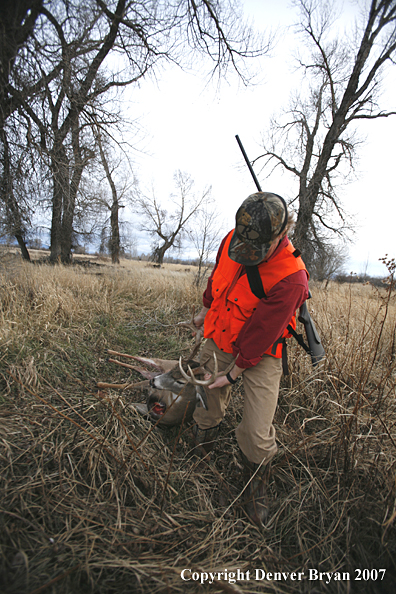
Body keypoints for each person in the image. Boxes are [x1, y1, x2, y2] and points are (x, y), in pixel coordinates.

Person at [191, 191, 309, 526]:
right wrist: (203, 310)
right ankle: (202, 449)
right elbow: (218, 277)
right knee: (206, 399)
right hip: (221, 332)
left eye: (256, 250)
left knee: (257, 431)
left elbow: (261, 332)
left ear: (279, 237)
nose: (246, 253)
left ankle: (255, 486)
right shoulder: (234, 237)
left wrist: (233, 374)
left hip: (263, 351)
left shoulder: (292, 277)